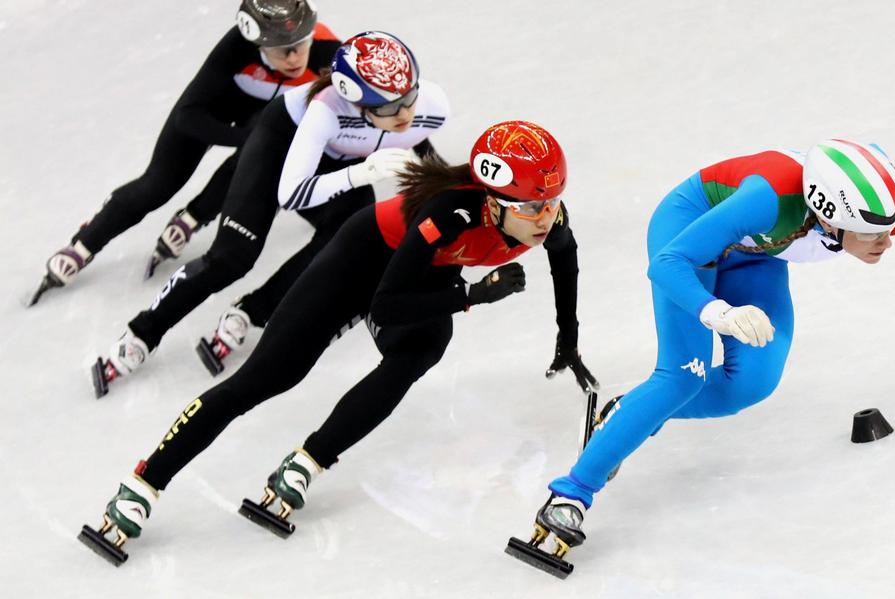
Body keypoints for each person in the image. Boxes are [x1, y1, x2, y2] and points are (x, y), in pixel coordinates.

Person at [77, 120, 598, 563]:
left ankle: (307, 462)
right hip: (362, 260)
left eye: (551, 203)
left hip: (425, 274)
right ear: (493, 201)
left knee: (418, 352)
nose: (545, 218)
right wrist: (471, 296)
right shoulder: (447, 213)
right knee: (265, 379)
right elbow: (388, 304)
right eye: (532, 207)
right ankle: (143, 483)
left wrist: (567, 338)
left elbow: (565, 258)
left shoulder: (544, 217)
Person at [508, 140, 895, 574]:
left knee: (752, 383)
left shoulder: (879, 207)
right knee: (683, 377)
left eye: (887, 228)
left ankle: (629, 413)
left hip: (756, 252)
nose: (886, 241)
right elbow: (667, 264)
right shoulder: (769, 198)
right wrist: (717, 312)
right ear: (828, 216)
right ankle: (570, 495)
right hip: (689, 238)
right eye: (872, 232)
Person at [90, 31, 450, 396]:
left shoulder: (432, 107)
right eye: (389, 108)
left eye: (409, 98)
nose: (405, 114)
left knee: (348, 241)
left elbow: (414, 135)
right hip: (280, 147)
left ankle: (254, 309)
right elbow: (293, 194)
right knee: (233, 257)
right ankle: (142, 332)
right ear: (356, 104)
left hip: (335, 158)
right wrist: (359, 174)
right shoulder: (323, 112)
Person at [28, 0, 339, 306]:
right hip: (211, 114)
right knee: (157, 185)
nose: (296, 56)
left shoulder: (327, 53)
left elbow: (369, 107)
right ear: (257, 42)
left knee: (259, 159)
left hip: (262, 118)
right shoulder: (235, 49)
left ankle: (194, 216)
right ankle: (85, 243)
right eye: (284, 49)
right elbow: (188, 117)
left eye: (302, 42)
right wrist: (247, 137)